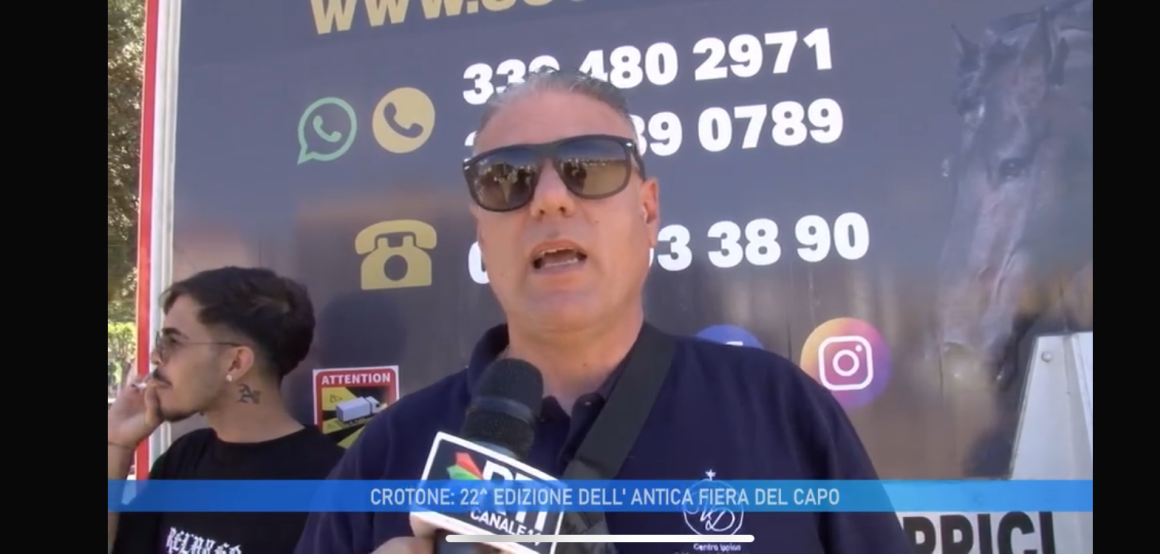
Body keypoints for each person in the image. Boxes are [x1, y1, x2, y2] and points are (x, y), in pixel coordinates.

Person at [295, 69, 912, 554]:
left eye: (588, 166)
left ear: (648, 212)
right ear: (481, 233)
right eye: (506, 178)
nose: (550, 199)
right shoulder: (387, 454)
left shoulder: (780, 410)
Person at [108, 266, 344, 554]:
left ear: (235, 363)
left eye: (173, 342)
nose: (156, 357)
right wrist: (117, 444)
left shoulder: (330, 483)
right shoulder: (186, 456)